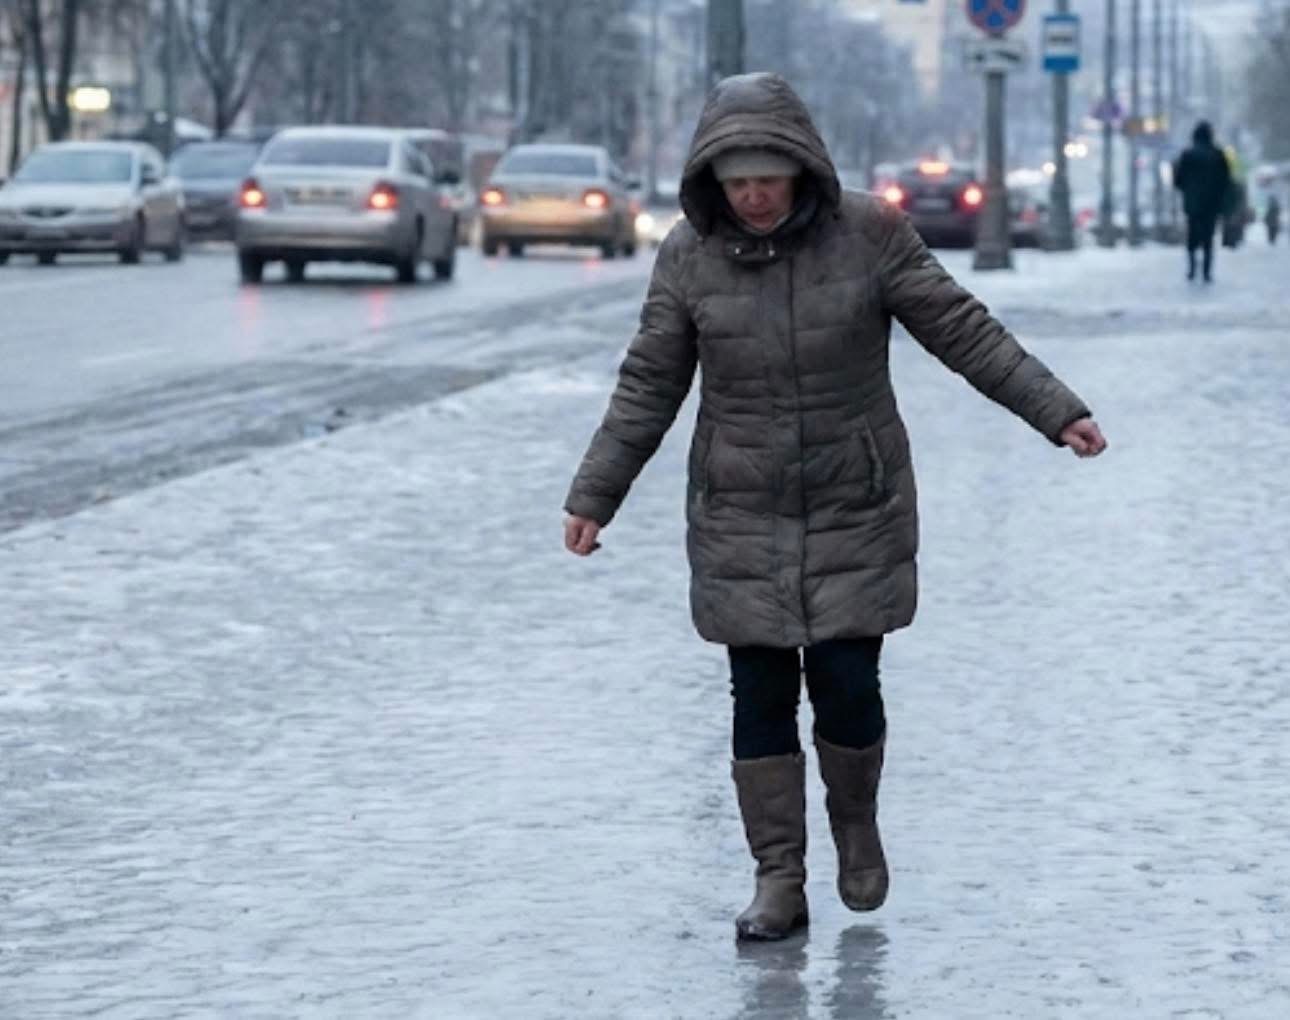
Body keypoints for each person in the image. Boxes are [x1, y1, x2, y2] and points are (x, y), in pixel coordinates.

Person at [562, 73, 1108, 942]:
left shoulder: (871, 235)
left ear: (801, 168)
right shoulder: (687, 255)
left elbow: (961, 328)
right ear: (713, 179)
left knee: (848, 685)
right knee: (760, 694)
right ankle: (779, 876)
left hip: (857, 499)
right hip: (740, 507)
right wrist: (597, 494)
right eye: (737, 179)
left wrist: (1058, 409)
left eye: (767, 176)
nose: (752, 194)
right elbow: (649, 384)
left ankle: (856, 825)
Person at [1173, 121, 1232, 282]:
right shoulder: (1218, 155)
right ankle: (1206, 271)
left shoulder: (1188, 155)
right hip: (1211, 204)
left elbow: (1178, 180)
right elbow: (1225, 180)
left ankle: (1192, 269)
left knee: (1192, 236)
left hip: (1192, 204)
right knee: (1208, 237)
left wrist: (1188, 190)